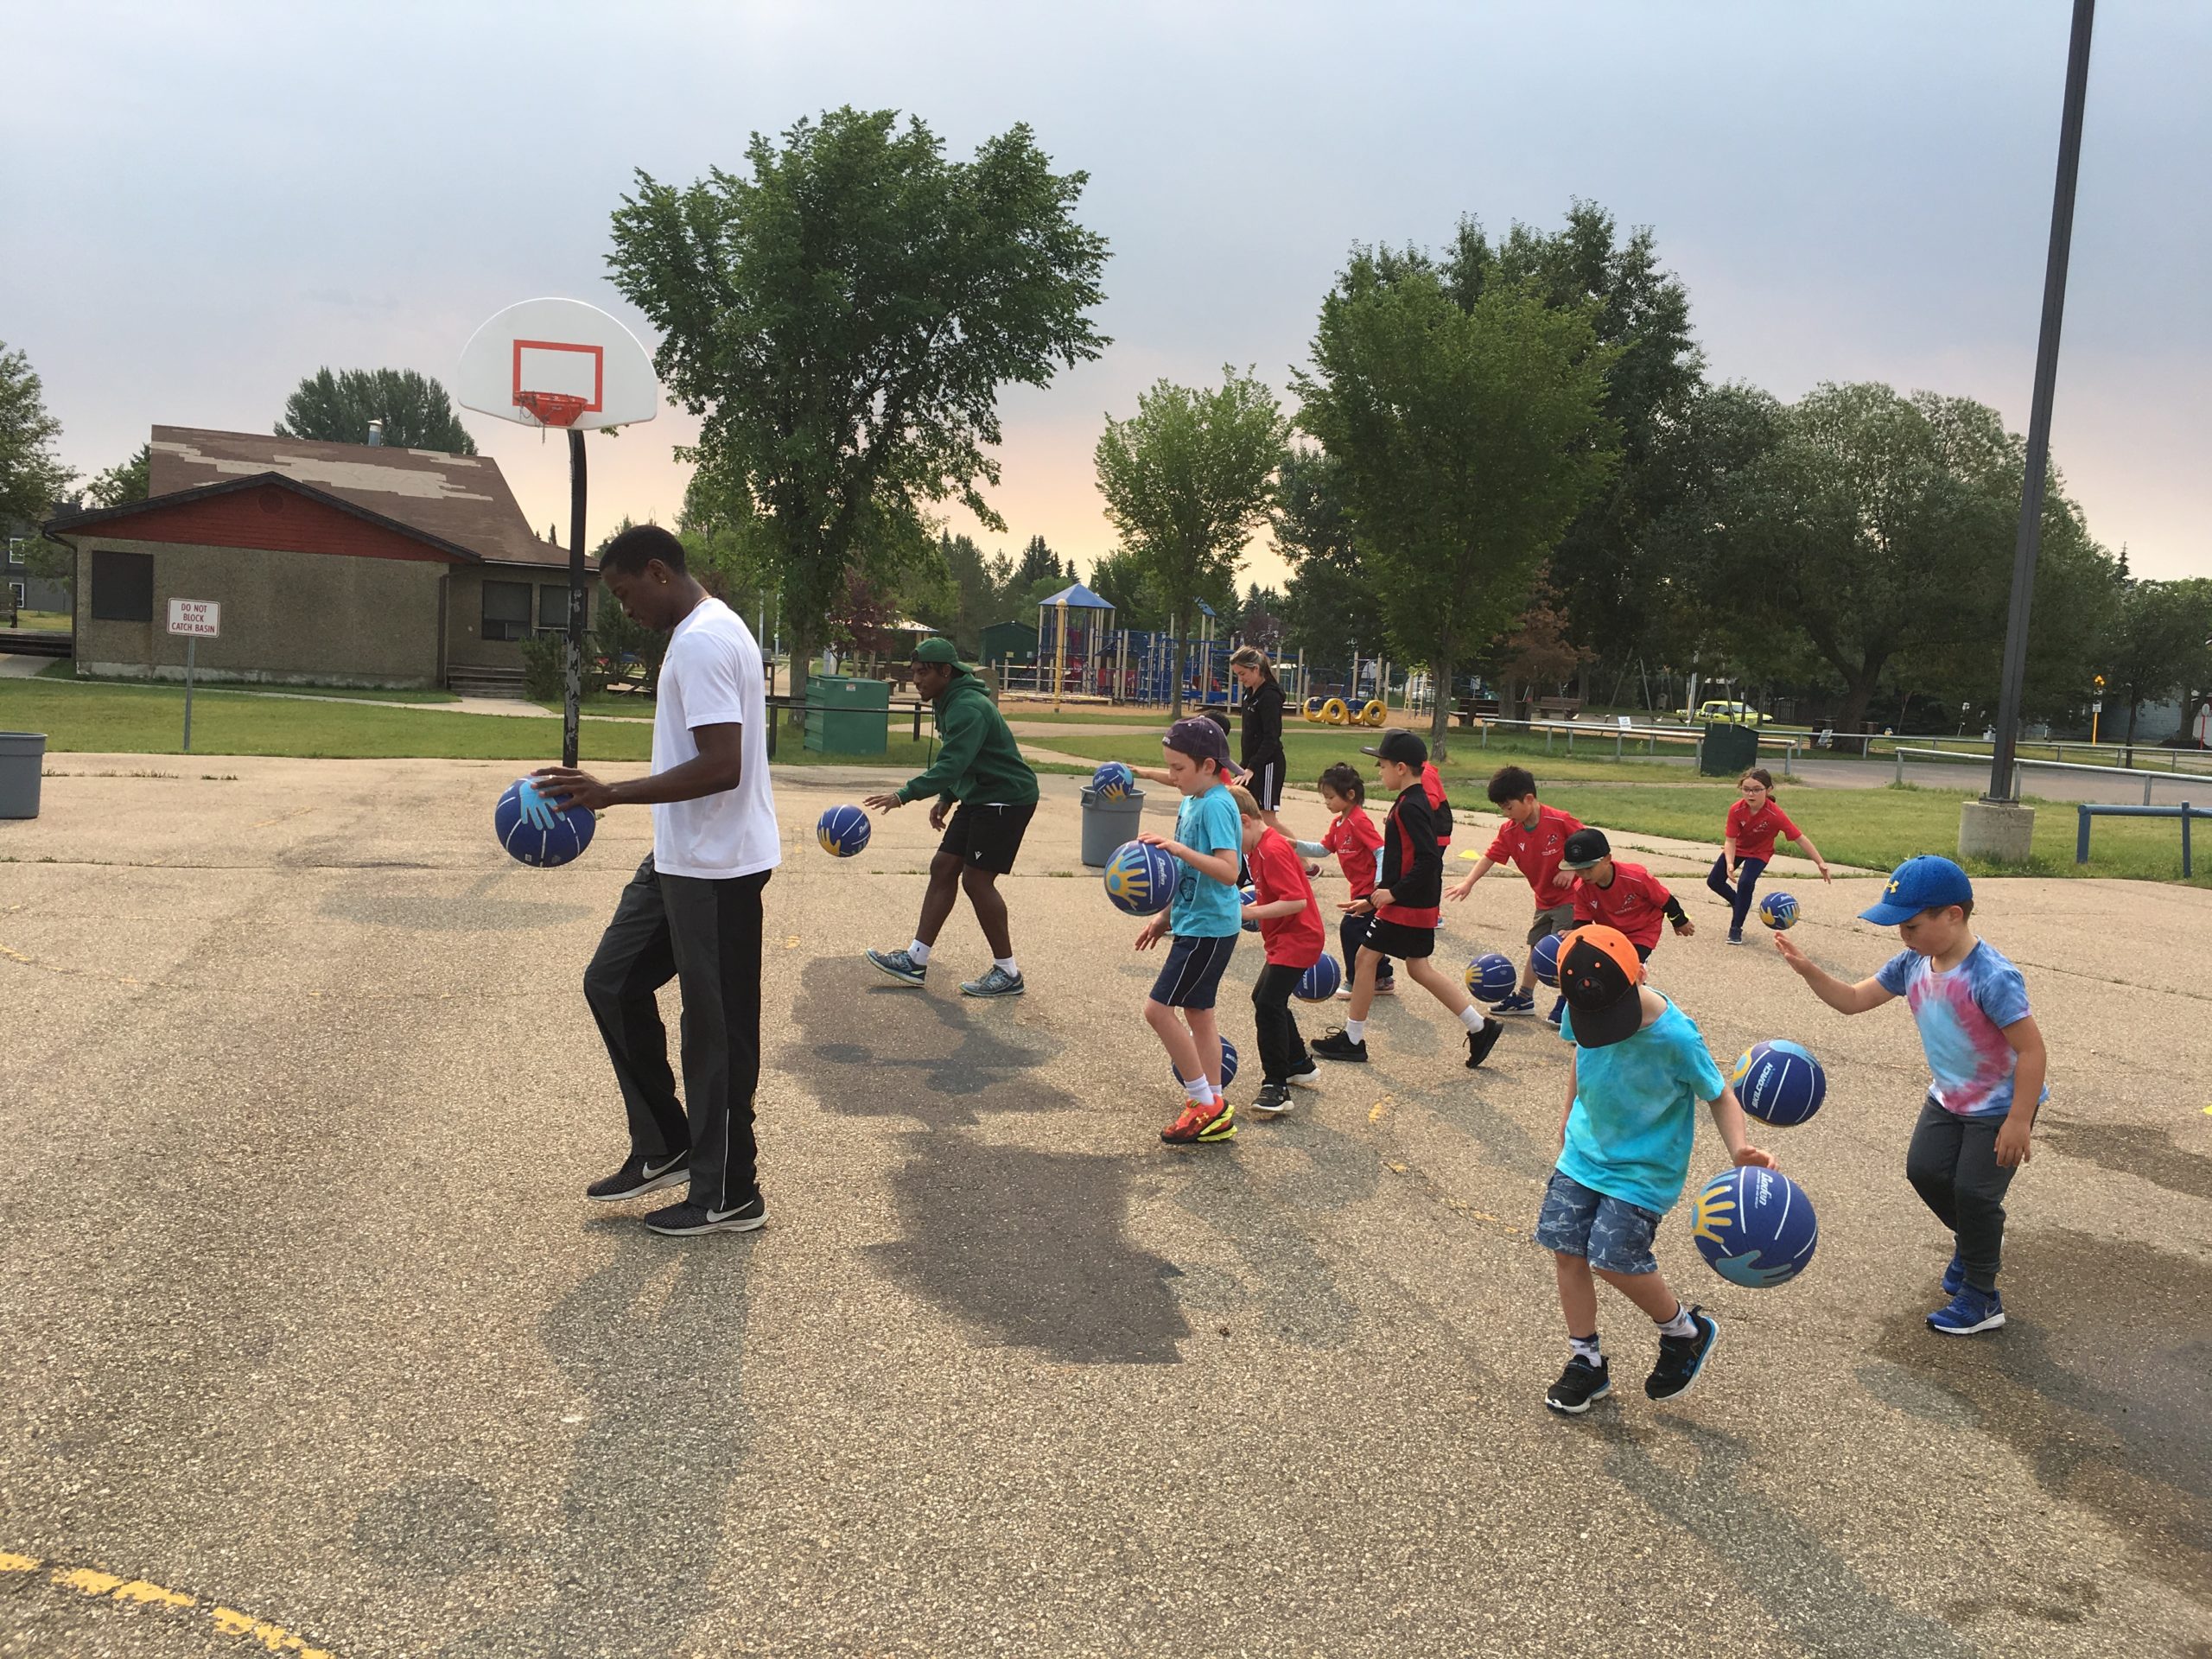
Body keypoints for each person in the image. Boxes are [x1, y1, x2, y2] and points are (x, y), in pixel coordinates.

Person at [535, 524, 779, 1238]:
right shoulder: (700, 630)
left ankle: (731, 1192)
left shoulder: (705, 640)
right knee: (611, 981)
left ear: (657, 572)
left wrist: (611, 793)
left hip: (718, 868)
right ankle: (666, 1142)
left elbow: (721, 765)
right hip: (679, 858)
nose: (623, 609)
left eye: (623, 593)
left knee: (718, 1033)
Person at [1773, 856, 2047, 1335]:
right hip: (1948, 1097)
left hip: (2000, 1106)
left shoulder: (1992, 977)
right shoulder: (1913, 962)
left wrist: (2020, 1119)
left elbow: (2032, 1050)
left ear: (1954, 915)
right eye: (1899, 925)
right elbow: (1855, 1000)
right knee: (1924, 1172)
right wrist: (1809, 971)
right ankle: (1971, 1243)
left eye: (1913, 925)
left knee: (1975, 1194)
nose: (1904, 934)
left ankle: (1982, 1295)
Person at [1539, 925, 1774, 1415]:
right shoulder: (1586, 1009)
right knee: (1566, 1251)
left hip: (1643, 1168)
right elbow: (1583, 1055)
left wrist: (1739, 1149)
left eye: (1612, 1016)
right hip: (1583, 1151)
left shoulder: (1676, 1035)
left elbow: (1719, 1092)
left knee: (1611, 1257)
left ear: (1641, 973)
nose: (1604, 1025)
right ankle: (1586, 1361)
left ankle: (1683, 1332)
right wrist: (1566, 1116)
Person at [1312, 730, 1504, 1071]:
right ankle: (1479, 1026)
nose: (1379, 772)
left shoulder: (1410, 806)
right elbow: (1402, 859)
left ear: (1401, 768)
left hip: (1410, 903)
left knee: (1366, 957)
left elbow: (1429, 860)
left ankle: (1353, 1040)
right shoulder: (1407, 802)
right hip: (1409, 901)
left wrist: (1392, 894)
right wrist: (1374, 900)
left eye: (1382, 765)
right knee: (1416, 967)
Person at [862, 637, 1039, 998]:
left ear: (946, 671)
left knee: (977, 881)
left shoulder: (968, 707)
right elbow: (967, 760)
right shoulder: (948, 701)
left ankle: (1008, 972)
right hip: (981, 795)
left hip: (1006, 798)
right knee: (943, 867)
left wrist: (904, 794)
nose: (916, 680)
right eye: (913, 673)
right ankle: (916, 960)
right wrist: (947, 797)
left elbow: (953, 763)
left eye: (923, 673)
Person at [1134, 717, 1247, 1146]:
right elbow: (1185, 874)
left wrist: (1178, 847)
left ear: (1207, 765)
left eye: (1178, 768)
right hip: (1194, 921)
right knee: (1199, 1013)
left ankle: (1202, 1103)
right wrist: (1164, 918)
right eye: (1169, 768)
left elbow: (1228, 871)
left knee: (1157, 1010)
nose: (1172, 776)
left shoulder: (1217, 804)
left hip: (1209, 927)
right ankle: (1214, 1102)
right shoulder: (1193, 798)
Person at [1446, 765, 1584, 1024]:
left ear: (1528, 799)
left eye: (1508, 807)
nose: (1505, 813)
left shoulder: (1559, 820)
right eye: (1502, 808)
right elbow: (1490, 856)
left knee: (1562, 952)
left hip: (1571, 899)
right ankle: (1525, 997)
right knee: (1536, 948)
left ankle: (1567, 1003)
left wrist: (1570, 868)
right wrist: (1468, 882)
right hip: (1543, 900)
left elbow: (1589, 844)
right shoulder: (1510, 830)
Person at [1235, 784, 1326, 1116]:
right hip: (1284, 938)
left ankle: (1276, 1084)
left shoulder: (1272, 849)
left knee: (1268, 1003)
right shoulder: (1256, 849)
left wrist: (1251, 913)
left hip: (1299, 937)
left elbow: (1296, 900)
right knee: (1265, 997)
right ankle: (1298, 1062)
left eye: (1229, 833)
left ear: (1245, 821)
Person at [1707, 767, 1833, 944]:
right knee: (1714, 881)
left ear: (1769, 790)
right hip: (1739, 848)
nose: (1751, 794)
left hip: (1760, 853)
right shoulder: (1736, 810)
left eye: (1757, 789)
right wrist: (1729, 863)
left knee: (1745, 883)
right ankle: (1740, 903)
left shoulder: (1775, 814)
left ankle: (1736, 928)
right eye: (1746, 789)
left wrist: (1820, 862)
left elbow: (1800, 838)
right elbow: (1730, 841)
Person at [1316, 762, 1394, 998]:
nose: (1327, 802)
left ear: (1350, 795)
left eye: (1330, 797)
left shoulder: (1359, 820)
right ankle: (1382, 977)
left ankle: (1357, 980)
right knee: (1365, 934)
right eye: (1325, 798)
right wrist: (1293, 845)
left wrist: (1379, 885)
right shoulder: (1339, 823)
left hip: (1370, 891)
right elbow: (1323, 849)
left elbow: (1381, 850)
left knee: (1350, 928)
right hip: (1358, 890)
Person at [1560, 828, 1694, 962]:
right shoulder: (1581, 889)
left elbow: (1665, 900)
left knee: (1628, 969)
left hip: (1642, 931)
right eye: (1578, 870)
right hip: (1611, 935)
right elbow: (1583, 920)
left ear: (1607, 859)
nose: (1584, 874)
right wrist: (1576, 934)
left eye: (1589, 868)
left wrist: (1679, 921)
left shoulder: (1636, 877)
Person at [1229, 645, 1289, 835]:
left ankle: (1305, 863)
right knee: (1246, 813)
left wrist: (1252, 767)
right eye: (1237, 674)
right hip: (1250, 765)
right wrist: (1244, 766)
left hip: (1268, 764)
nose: (1240, 679)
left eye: (1243, 673)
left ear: (1256, 668)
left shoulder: (1270, 696)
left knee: (1267, 819)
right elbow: (1250, 736)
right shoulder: (1250, 693)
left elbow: (1271, 738)